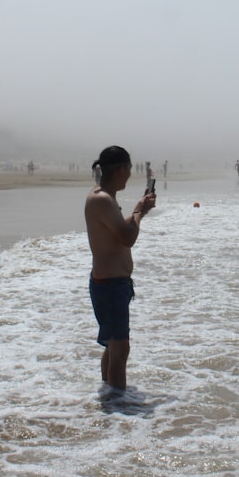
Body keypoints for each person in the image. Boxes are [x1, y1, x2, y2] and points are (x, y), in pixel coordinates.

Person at [85, 145, 156, 393]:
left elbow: (119, 234)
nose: (130, 175)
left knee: (114, 347)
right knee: (120, 349)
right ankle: (117, 409)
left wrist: (140, 211)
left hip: (112, 284)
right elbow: (127, 238)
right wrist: (138, 211)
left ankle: (109, 395)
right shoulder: (102, 199)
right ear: (122, 169)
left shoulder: (103, 197)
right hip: (110, 285)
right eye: (129, 169)